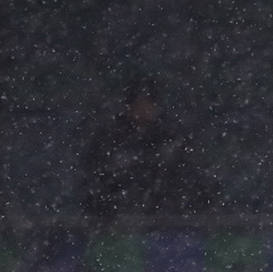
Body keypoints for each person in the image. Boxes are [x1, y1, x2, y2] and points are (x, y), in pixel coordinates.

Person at [81, 78, 219, 218]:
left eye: (148, 103)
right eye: (138, 103)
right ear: (128, 106)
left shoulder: (174, 137)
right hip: (118, 221)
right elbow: (96, 179)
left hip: (169, 220)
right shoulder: (111, 138)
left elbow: (195, 178)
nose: (143, 108)